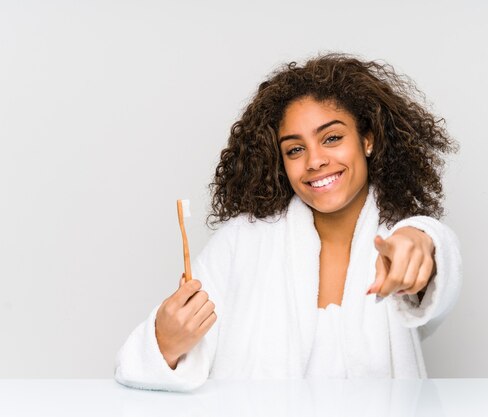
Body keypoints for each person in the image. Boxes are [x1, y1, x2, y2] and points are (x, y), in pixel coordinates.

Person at [114, 52, 462, 392]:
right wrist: (166, 341)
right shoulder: (242, 242)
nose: (314, 161)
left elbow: (434, 268)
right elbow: (138, 364)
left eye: (332, 138)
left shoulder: (401, 236)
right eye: (295, 149)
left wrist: (422, 249)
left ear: (367, 139)